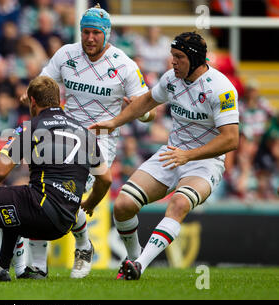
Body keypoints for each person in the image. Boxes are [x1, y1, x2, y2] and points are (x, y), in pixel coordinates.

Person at [0, 75, 112, 283]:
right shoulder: (85, 133)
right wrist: (90, 203)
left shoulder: (31, 127)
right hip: (66, 221)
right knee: (13, 198)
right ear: (58, 100)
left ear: (32, 101)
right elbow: (105, 179)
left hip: (39, 210)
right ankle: (1, 268)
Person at [18, 4, 153, 279]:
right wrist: (28, 94)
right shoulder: (66, 54)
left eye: (95, 33)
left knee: (59, 194)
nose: (89, 38)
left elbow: (147, 110)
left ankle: (82, 246)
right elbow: (42, 83)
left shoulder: (124, 65)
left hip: (100, 141)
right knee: (40, 191)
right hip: (62, 132)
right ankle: (38, 268)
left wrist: (141, 111)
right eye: (85, 32)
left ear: (107, 34)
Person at [89, 31, 240, 280]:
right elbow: (147, 100)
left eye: (179, 57)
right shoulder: (172, 78)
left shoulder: (222, 89)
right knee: (124, 205)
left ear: (194, 58)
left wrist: (188, 156)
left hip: (204, 163)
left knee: (179, 204)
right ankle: (133, 261)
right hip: (172, 154)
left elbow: (231, 139)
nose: (173, 62)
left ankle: (140, 266)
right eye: (172, 56)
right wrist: (115, 122)